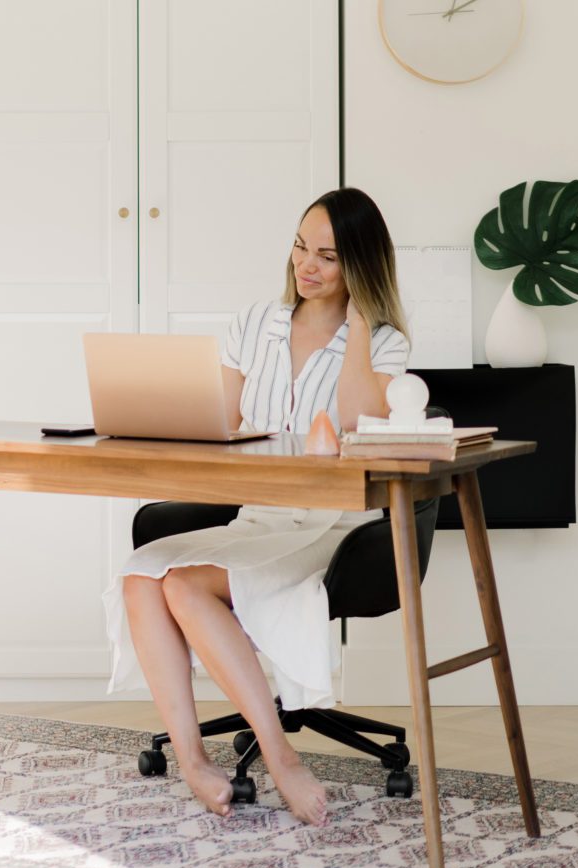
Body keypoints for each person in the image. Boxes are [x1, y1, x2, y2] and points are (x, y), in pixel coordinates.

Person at [102, 188, 411, 827]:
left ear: (359, 264)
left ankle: (280, 757)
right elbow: (219, 418)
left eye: (329, 255)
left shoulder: (384, 343)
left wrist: (356, 322)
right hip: (259, 516)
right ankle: (191, 759)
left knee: (186, 587)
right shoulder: (255, 324)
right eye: (302, 246)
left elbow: (357, 418)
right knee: (140, 574)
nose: (308, 265)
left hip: (332, 527)